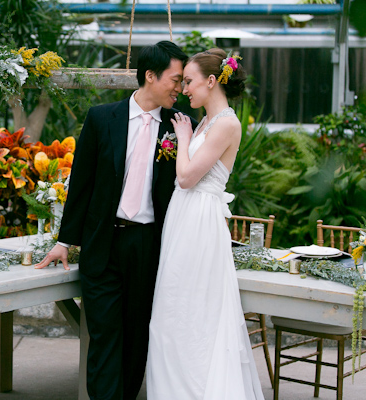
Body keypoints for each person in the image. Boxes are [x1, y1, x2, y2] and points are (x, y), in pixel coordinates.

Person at [35, 41, 197, 400]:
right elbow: (82, 183)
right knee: (105, 337)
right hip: (103, 246)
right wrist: (65, 241)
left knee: (137, 338)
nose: (180, 88)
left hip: (149, 247)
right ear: (150, 76)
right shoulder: (100, 118)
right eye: (175, 79)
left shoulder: (182, 126)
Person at [146, 48, 265, 399]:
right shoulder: (205, 121)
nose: (184, 89)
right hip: (184, 218)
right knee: (172, 310)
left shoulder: (227, 122)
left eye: (190, 81)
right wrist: (187, 135)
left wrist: (181, 140)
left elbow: (186, 178)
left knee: (192, 311)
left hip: (199, 222)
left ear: (212, 81)